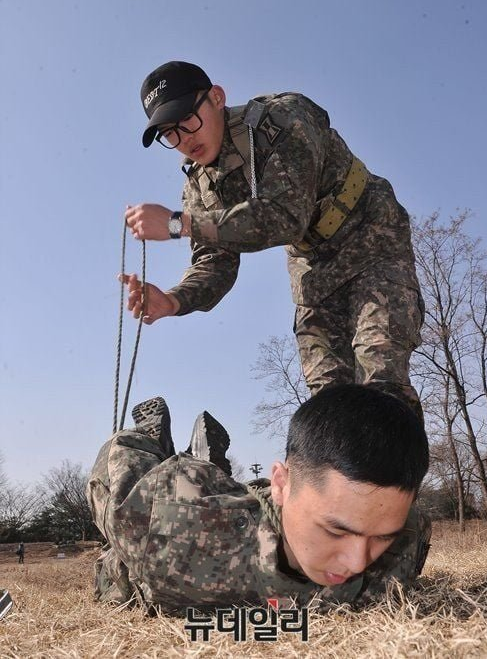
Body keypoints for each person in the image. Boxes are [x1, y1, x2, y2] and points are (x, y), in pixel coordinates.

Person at [121, 61, 425, 417]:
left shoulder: (282, 118)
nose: (184, 138)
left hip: (371, 238)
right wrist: (173, 301)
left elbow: (285, 217)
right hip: (313, 271)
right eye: (169, 134)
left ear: (216, 97)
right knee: (329, 407)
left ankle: (395, 471)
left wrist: (177, 224)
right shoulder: (198, 187)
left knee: (380, 378)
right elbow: (215, 263)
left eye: (187, 119)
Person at [87, 384, 431, 613]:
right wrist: (143, 442)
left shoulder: (406, 536)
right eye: (336, 531)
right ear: (280, 483)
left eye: (381, 536)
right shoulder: (164, 526)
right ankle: (172, 449)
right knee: (183, 479)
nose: (358, 562)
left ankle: (212, 463)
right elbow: (113, 467)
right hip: (177, 513)